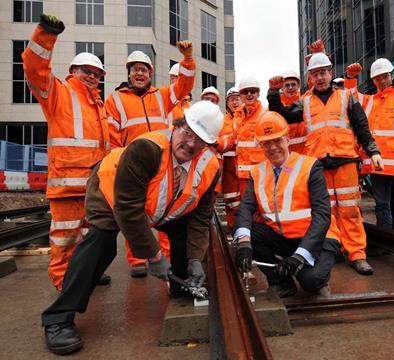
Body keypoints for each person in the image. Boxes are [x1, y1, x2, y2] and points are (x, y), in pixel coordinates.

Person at [41, 101, 223, 355]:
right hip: (110, 190)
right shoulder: (146, 149)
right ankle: (58, 318)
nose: (191, 144)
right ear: (177, 126)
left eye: (200, 141)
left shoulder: (211, 167)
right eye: (188, 134)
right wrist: (154, 255)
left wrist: (194, 258)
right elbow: (128, 209)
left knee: (183, 233)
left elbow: (200, 220)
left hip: (162, 204)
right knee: (101, 243)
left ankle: (182, 283)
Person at [268, 52, 382, 276]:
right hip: (319, 164)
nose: (319, 78)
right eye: (314, 74)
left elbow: (361, 126)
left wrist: (373, 150)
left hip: (345, 160)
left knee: (349, 210)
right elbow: (282, 115)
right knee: (325, 213)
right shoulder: (305, 102)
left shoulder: (347, 97)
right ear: (310, 77)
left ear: (330, 73)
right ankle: (334, 250)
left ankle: (357, 254)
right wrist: (273, 93)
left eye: (322, 72)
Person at [22, 14, 111, 290]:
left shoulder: (99, 106)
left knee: (88, 238)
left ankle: (86, 276)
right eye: (87, 71)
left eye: (97, 74)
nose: (93, 77)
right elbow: (34, 68)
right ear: (74, 71)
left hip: (92, 190)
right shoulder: (58, 93)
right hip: (67, 188)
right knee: (64, 240)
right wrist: (46, 34)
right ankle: (64, 286)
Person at [106, 44, 195, 277]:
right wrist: (118, 163)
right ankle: (138, 259)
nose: (139, 74)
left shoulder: (163, 95)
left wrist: (187, 59)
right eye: (135, 69)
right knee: (134, 211)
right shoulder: (115, 100)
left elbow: (185, 84)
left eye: (144, 70)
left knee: (166, 209)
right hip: (133, 165)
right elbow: (112, 136)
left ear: (150, 73)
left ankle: (164, 254)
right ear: (129, 72)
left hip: (161, 162)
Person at [233, 112, 340, 297]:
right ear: (260, 145)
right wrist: (243, 244)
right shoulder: (257, 172)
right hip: (283, 237)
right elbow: (245, 208)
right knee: (247, 230)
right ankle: (281, 282)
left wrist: (300, 255)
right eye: (266, 143)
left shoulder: (309, 167)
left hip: (316, 239)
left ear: (287, 139)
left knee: (311, 281)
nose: (273, 147)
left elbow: (322, 216)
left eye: (277, 140)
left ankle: (313, 271)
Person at [344, 59, 394, 236]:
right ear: (373, 80)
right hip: (378, 163)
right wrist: (350, 78)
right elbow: (350, 98)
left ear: (392, 75)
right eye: (377, 78)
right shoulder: (371, 100)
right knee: (381, 205)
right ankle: (387, 240)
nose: (382, 81)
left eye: (385, 77)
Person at [234, 77, 268, 196]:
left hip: (261, 172)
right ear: (240, 95)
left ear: (258, 93)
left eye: (252, 91)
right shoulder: (237, 116)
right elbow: (232, 139)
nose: (249, 94)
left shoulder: (265, 113)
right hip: (242, 174)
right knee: (247, 208)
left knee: (263, 208)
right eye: (245, 92)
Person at [216, 87, 243, 229]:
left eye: (237, 99)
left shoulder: (247, 116)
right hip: (228, 169)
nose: (235, 102)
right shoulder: (221, 121)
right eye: (232, 100)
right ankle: (235, 232)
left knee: (248, 202)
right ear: (227, 103)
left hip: (246, 168)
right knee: (231, 202)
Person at [279, 69, 307, 154]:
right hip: (286, 157)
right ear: (282, 88)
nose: (290, 88)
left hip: (306, 155)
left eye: (293, 85)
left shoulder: (306, 102)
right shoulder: (277, 108)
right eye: (287, 85)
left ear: (298, 86)